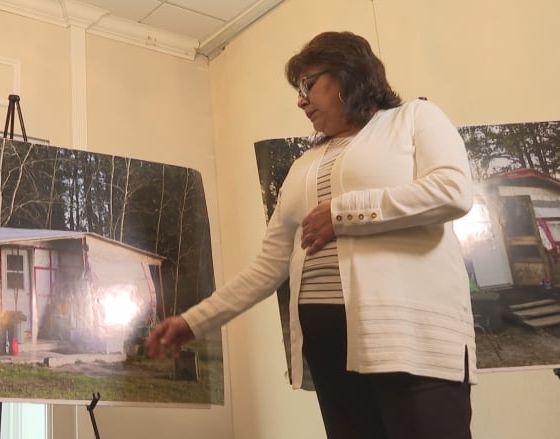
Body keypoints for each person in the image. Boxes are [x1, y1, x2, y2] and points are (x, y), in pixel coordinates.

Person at [145, 31, 476, 439]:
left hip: (412, 344)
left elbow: (452, 191)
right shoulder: (304, 165)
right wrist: (195, 321)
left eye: (307, 84)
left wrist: (341, 214)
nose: (300, 100)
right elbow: (268, 266)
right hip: (330, 352)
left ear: (347, 74)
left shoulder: (414, 119)